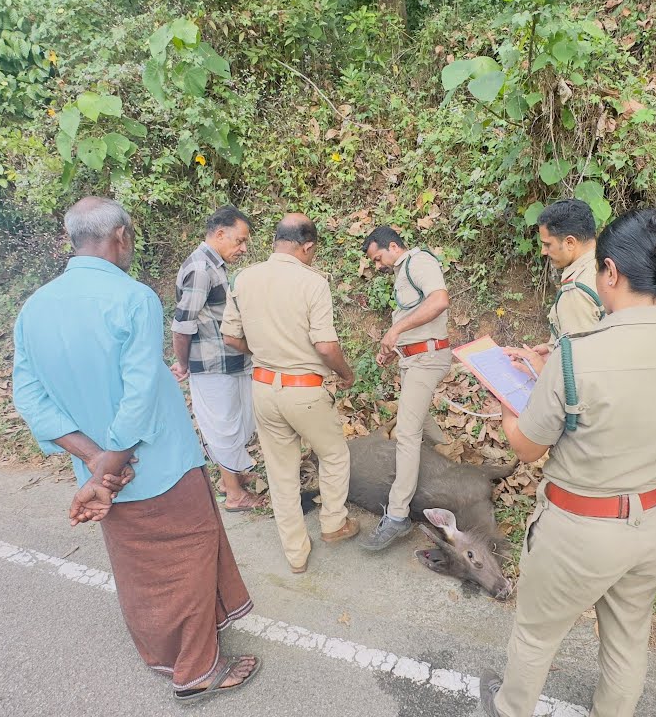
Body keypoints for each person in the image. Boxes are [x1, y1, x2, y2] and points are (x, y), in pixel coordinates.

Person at [12, 197, 259, 703]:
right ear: (120, 236)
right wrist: (112, 462)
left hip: (103, 475)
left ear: (72, 239)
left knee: (138, 566)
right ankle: (195, 671)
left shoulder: (34, 307)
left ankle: (162, 653)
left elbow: (29, 395)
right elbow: (140, 390)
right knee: (188, 554)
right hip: (158, 464)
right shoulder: (132, 298)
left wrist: (91, 460)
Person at [482, 209, 656, 717]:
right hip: (652, 522)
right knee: (629, 637)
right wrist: (553, 371)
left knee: (537, 634)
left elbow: (527, 446)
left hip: (579, 528)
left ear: (609, 272)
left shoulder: (577, 355)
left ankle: (510, 707)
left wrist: (507, 398)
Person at [221, 214, 360, 574]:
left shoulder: (244, 278)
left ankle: (296, 553)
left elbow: (231, 338)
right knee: (333, 455)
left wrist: (265, 353)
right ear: (308, 246)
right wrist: (345, 374)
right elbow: (326, 346)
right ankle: (333, 523)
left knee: (280, 472)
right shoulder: (312, 283)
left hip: (264, 389)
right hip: (306, 391)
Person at [359, 226, 453, 549]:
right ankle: (449, 455)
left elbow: (440, 300)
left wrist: (397, 328)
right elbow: (414, 319)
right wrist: (393, 345)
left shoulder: (419, 262)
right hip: (413, 359)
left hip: (427, 359)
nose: (377, 265)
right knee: (421, 421)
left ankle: (397, 516)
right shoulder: (403, 272)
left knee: (407, 434)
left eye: (378, 257)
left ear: (394, 247)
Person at [170, 205, 267, 512]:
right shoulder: (200, 269)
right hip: (212, 365)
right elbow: (182, 324)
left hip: (230, 361)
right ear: (220, 233)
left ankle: (232, 478)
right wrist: (183, 364)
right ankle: (234, 495)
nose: (243, 248)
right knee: (222, 426)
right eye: (239, 241)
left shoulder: (214, 266)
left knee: (238, 421)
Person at [529, 199, 603, 358]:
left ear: (570, 242)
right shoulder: (606, 263)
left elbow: (579, 369)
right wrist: (552, 349)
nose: (543, 251)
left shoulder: (576, 292)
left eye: (547, 244)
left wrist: (539, 369)